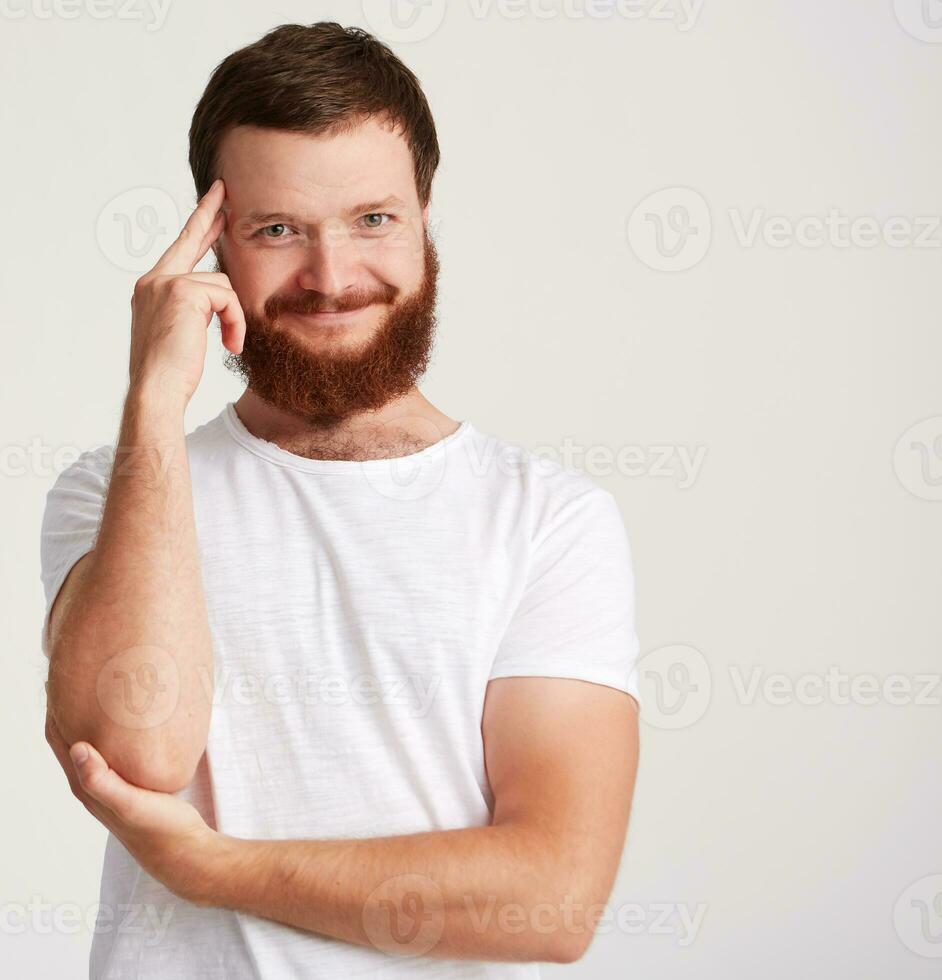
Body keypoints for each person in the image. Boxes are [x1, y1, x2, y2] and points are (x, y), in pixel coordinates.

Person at [39, 21, 641, 979]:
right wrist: (153, 398)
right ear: (213, 245)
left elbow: (552, 896)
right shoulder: (117, 493)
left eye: (372, 220)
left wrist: (220, 869)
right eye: (278, 230)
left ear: (425, 217)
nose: (332, 279)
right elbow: (137, 756)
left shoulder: (549, 521)